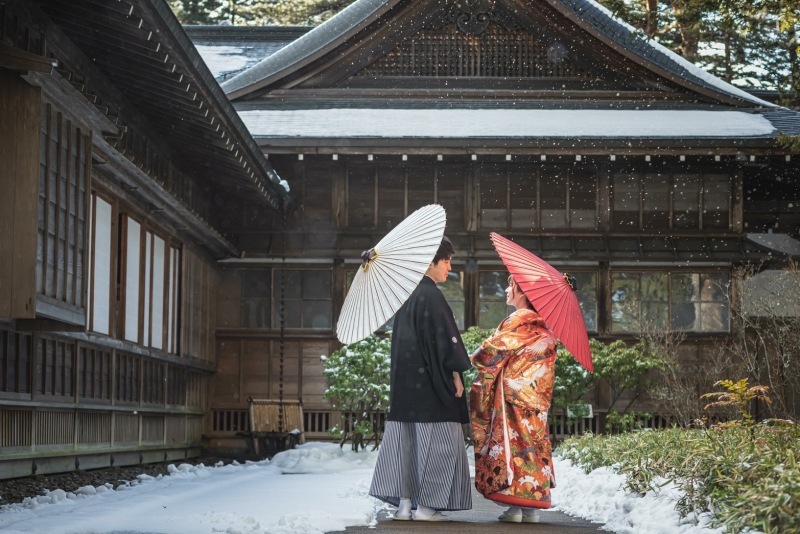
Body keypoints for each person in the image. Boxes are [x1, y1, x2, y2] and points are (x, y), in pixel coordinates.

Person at [369, 236, 473, 521]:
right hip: (429, 388)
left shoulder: (406, 295)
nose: (450, 267)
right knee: (438, 446)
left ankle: (404, 505)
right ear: (430, 263)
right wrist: (455, 374)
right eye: (446, 261)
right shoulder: (432, 296)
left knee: (406, 445)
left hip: (406, 388)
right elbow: (445, 343)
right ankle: (426, 507)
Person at [469, 274, 559, 524]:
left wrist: (475, 357)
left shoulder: (519, 320)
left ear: (522, 293)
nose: (507, 290)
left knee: (514, 446)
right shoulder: (546, 328)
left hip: (513, 396)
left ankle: (514, 506)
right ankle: (531, 510)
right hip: (537, 398)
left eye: (511, 286)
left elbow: (492, 351)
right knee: (534, 446)